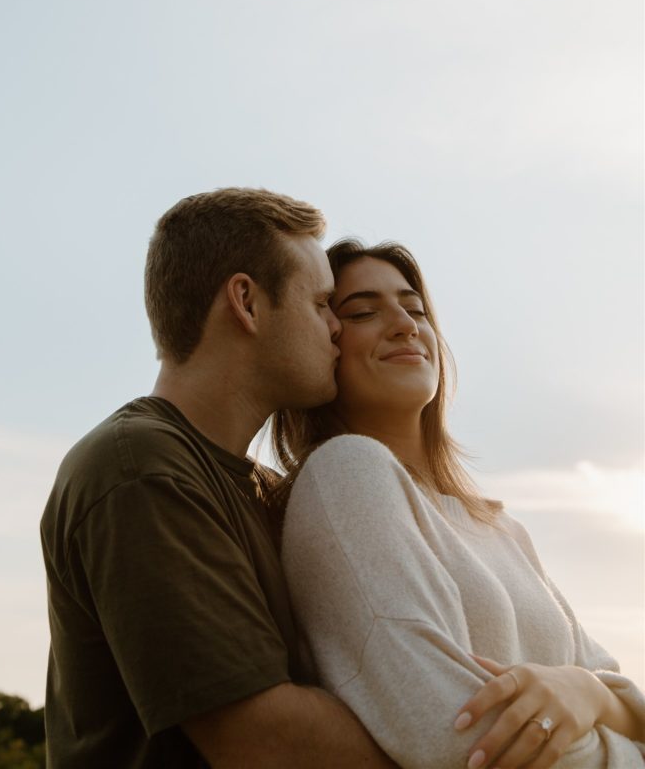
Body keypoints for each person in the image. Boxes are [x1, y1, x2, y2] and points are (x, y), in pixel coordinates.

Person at [40, 190, 400, 769]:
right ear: (246, 303)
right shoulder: (138, 468)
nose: (338, 327)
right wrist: (474, 743)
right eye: (321, 304)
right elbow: (263, 742)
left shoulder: (273, 493)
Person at [274, 239, 645, 769]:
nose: (405, 324)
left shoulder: (500, 528)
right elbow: (453, 734)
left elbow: (618, 687)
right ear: (324, 341)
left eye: (416, 308)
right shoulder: (346, 474)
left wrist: (588, 691)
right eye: (362, 312)